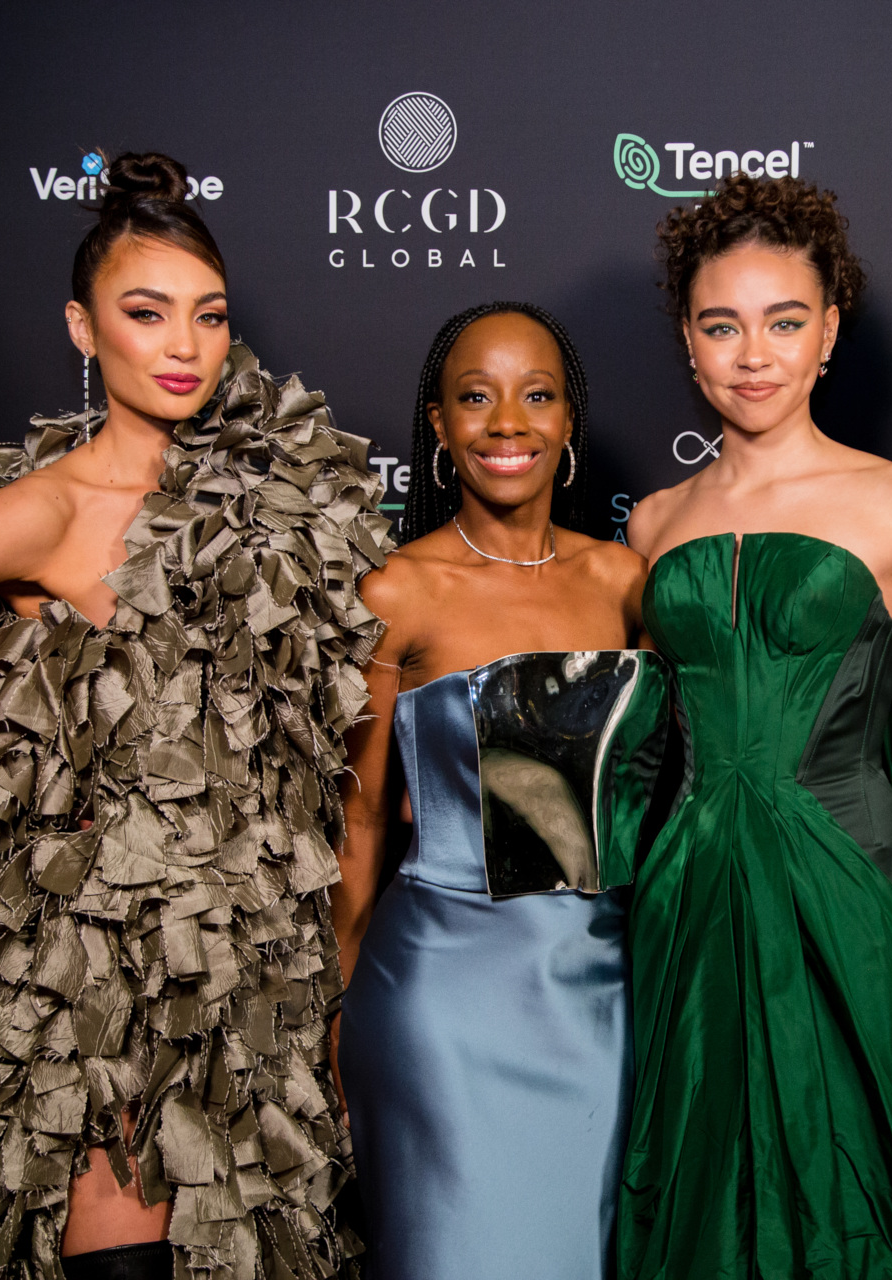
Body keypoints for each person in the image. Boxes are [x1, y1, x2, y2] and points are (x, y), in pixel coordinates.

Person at [0, 154, 386, 1280]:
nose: (183, 346)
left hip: (252, 971)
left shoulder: (268, 500)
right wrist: (11, 717)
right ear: (85, 330)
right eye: (147, 314)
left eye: (208, 316)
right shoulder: (41, 509)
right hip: (95, 968)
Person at [617, 174, 892, 1280]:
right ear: (687, 338)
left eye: (785, 321)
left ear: (829, 331)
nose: (753, 353)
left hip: (851, 881)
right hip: (689, 891)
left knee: (862, 1176)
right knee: (702, 1181)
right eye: (721, 325)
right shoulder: (653, 523)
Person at [332, 302, 650, 1280]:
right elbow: (365, 817)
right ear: (437, 424)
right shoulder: (397, 589)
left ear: (567, 422)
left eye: (536, 395)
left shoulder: (627, 580)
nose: (507, 422)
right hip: (446, 997)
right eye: (476, 397)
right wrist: (333, 1011)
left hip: (604, 994)